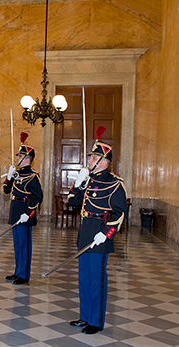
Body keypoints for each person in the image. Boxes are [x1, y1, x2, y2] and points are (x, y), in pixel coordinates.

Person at [68, 126, 128, 335]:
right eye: (90, 157)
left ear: (103, 161)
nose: (90, 161)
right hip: (85, 234)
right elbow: (72, 201)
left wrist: (106, 233)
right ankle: (85, 316)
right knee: (84, 278)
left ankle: (96, 321)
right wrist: (78, 181)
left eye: (93, 158)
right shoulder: (88, 180)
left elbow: (120, 213)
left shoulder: (114, 184)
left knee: (97, 280)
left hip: (100, 237)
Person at [3, 132, 43, 285]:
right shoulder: (17, 173)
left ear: (27, 159)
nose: (17, 159)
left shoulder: (33, 176)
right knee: (17, 244)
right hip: (15, 211)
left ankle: (24, 275)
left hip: (25, 213)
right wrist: (9, 176)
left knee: (24, 245)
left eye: (19, 156)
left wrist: (29, 213)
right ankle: (18, 271)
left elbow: (38, 197)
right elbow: (7, 191)